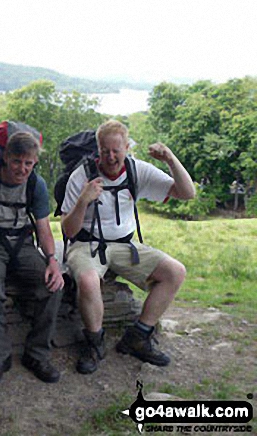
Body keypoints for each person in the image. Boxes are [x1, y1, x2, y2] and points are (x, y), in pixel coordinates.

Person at [60, 119, 196, 374]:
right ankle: (94, 343)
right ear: (97, 149)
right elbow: (68, 230)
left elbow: (187, 193)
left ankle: (139, 336)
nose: (111, 157)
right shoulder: (81, 176)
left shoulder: (137, 171)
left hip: (125, 244)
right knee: (88, 281)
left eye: (116, 151)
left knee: (175, 272)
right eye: (105, 151)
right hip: (86, 243)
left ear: (126, 147)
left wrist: (169, 158)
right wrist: (83, 201)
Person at [0, 131, 64, 386]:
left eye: (28, 163)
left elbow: (43, 227)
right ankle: (0, 356)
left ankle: (37, 354)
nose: (22, 169)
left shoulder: (35, 184)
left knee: (52, 286)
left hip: (22, 244)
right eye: (17, 161)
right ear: (6, 157)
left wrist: (52, 260)